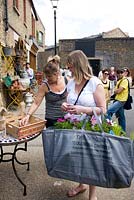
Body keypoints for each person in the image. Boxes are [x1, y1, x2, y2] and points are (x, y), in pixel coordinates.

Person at [61, 50, 106, 200]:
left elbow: (102, 109)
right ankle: (81, 185)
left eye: (70, 67)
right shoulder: (71, 82)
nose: (69, 70)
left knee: (91, 160)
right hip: (75, 126)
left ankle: (93, 196)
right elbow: (69, 101)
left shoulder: (95, 82)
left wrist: (83, 110)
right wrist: (64, 105)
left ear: (78, 65)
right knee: (78, 157)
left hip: (90, 127)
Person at [20, 60, 67, 128]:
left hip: (66, 119)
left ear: (56, 73)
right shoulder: (44, 86)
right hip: (51, 120)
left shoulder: (66, 80)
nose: (47, 79)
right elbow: (36, 103)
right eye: (46, 76)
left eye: (49, 76)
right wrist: (28, 115)